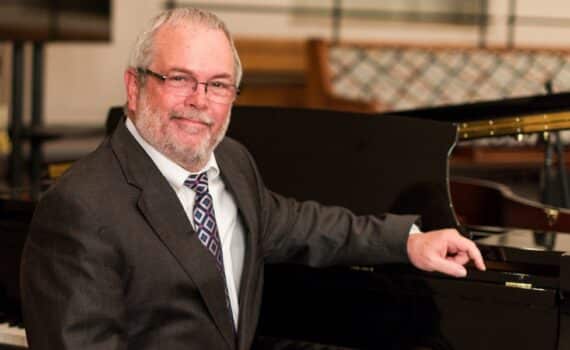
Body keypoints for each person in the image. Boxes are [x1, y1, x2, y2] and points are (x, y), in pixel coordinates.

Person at [20, 7, 486, 350]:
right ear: (135, 86)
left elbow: (301, 224)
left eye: (218, 84)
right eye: (179, 78)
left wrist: (408, 240)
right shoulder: (80, 207)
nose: (200, 100)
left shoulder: (233, 162)